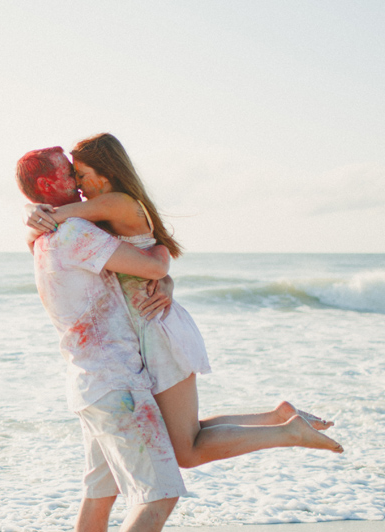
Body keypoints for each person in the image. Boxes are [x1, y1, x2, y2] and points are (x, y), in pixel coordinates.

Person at [20, 136, 342, 470]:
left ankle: (290, 433)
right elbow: (136, 254)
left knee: (186, 450)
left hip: (159, 331)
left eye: (81, 174)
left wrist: (33, 214)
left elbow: (58, 219)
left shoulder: (115, 202)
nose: (78, 184)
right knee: (188, 435)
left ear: (104, 173)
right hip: (150, 328)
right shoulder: (105, 212)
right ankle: (279, 417)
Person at [24, 192, 184, 532]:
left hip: (88, 383)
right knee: (160, 493)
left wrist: (164, 283)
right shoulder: (72, 229)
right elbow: (152, 266)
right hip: (117, 383)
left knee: (99, 496)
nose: (77, 187)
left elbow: (136, 279)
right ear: (43, 183)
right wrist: (163, 261)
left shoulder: (43, 237)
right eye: (67, 172)